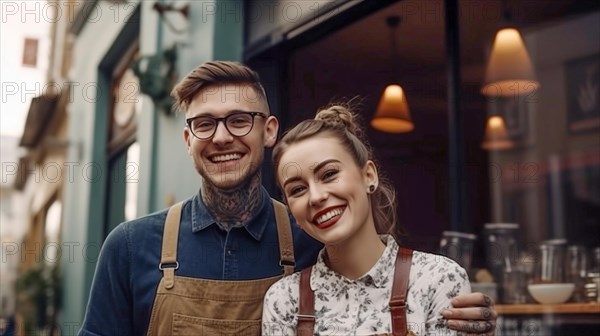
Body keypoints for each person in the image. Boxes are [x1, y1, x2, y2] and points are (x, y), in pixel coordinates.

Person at [80, 61, 496, 335]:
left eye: (239, 120)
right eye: (205, 124)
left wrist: (467, 315)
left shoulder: (313, 239)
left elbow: (379, 274)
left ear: (269, 130)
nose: (222, 136)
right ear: (188, 140)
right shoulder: (130, 246)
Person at [262, 104, 493, 335]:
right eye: (298, 190)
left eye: (329, 174)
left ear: (368, 176)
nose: (316, 196)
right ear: (291, 209)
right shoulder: (284, 301)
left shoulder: (437, 279)